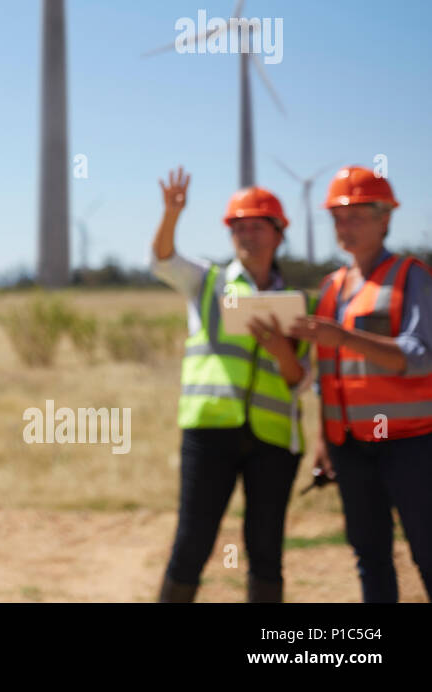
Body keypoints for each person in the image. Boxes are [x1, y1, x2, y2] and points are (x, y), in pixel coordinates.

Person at [151, 167, 311, 602]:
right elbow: (163, 259)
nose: (247, 235)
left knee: (266, 550)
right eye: (238, 227)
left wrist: (282, 349)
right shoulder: (207, 281)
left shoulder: (299, 303)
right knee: (193, 543)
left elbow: (301, 380)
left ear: (279, 234)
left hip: (273, 439)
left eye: (257, 226)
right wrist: (171, 215)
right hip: (210, 431)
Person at [290, 166, 432, 602]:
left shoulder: (411, 276)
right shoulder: (332, 286)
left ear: (385, 218)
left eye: (354, 216)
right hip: (349, 447)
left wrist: (347, 337)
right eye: (336, 218)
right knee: (370, 557)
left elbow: (422, 355)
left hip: (409, 445)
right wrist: (323, 440)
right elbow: (328, 376)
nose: (343, 227)